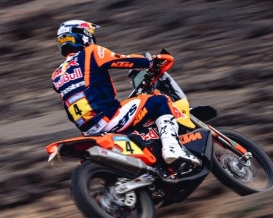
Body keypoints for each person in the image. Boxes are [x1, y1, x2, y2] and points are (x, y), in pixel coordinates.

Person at [51, 19, 199, 168]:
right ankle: (172, 148)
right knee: (159, 101)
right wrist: (151, 61)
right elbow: (123, 60)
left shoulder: (56, 75)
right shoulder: (91, 52)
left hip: (89, 130)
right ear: (83, 35)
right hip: (110, 118)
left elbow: (70, 108)